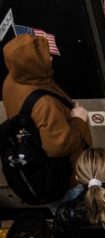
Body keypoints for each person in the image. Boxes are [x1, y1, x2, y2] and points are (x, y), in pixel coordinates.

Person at [2, 34, 92, 200]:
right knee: (76, 216)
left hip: (37, 161)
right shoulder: (44, 105)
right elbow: (59, 146)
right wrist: (79, 120)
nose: (50, 57)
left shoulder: (12, 81)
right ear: (32, 65)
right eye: (44, 57)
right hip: (68, 180)